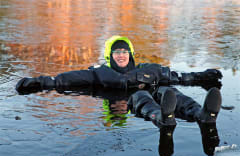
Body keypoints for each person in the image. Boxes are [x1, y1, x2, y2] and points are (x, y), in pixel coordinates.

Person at [16, 35, 222, 126]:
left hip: (159, 92)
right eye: (117, 52)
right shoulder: (100, 73)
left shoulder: (147, 70)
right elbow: (70, 79)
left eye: (125, 51)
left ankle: (201, 114)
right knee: (140, 96)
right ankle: (162, 119)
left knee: (171, 93)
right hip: (140, 101)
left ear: (130, 54)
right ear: (110, 56)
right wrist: (41, 81)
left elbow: (177, 77)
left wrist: (202, 76)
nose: (121, 55)